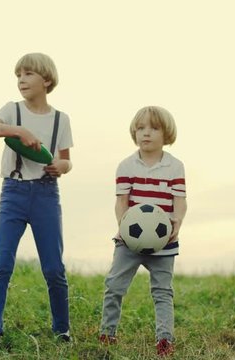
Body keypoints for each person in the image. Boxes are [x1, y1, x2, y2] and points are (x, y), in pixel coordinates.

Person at [0, 53, 74, 349]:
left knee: (54, 268)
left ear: (46, 80)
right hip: (14, 192)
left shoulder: (61, 119)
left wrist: (61, 166)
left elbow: (66, 160)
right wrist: (18, 130)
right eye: (18, 74)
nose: (21, 79)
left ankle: (62, 330)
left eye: (28, 74)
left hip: (46, 194)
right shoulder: (12, 111)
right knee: (2, 263)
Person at [98, 106, 187, 357]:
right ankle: (107, 333)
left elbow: (179, 200)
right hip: (129, 241)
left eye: (154, 128)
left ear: (166, 133)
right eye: (140, 128)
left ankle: (164, 340)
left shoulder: (175, 167)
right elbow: (121, 201)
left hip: (164, 242)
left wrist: (177, 220)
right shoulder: (126, 166)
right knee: (114, 285)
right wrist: (123, 226)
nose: (146, 133)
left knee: (162, 291)